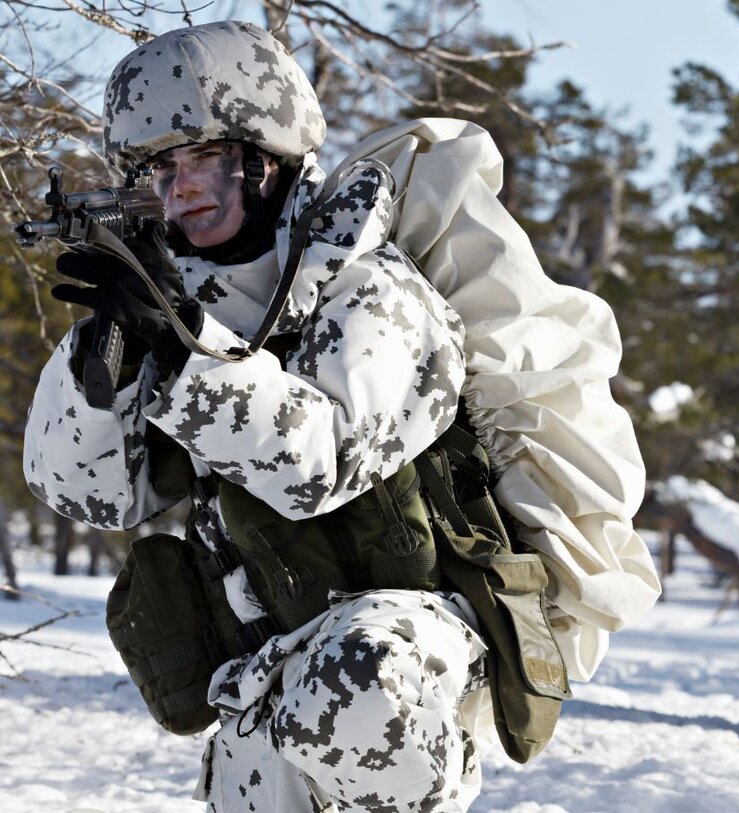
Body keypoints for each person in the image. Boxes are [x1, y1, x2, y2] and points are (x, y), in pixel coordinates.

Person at [24, 20, 659, 812]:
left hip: (406, 647)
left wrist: (184, 349)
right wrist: (108, 360)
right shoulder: (173, 299)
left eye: (205, 158)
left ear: (269, 157)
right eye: (159, 167)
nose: (181, 186)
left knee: (359, 678)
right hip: (267, 661)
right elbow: (86, 493)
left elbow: (320, 462)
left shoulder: (371, 285)